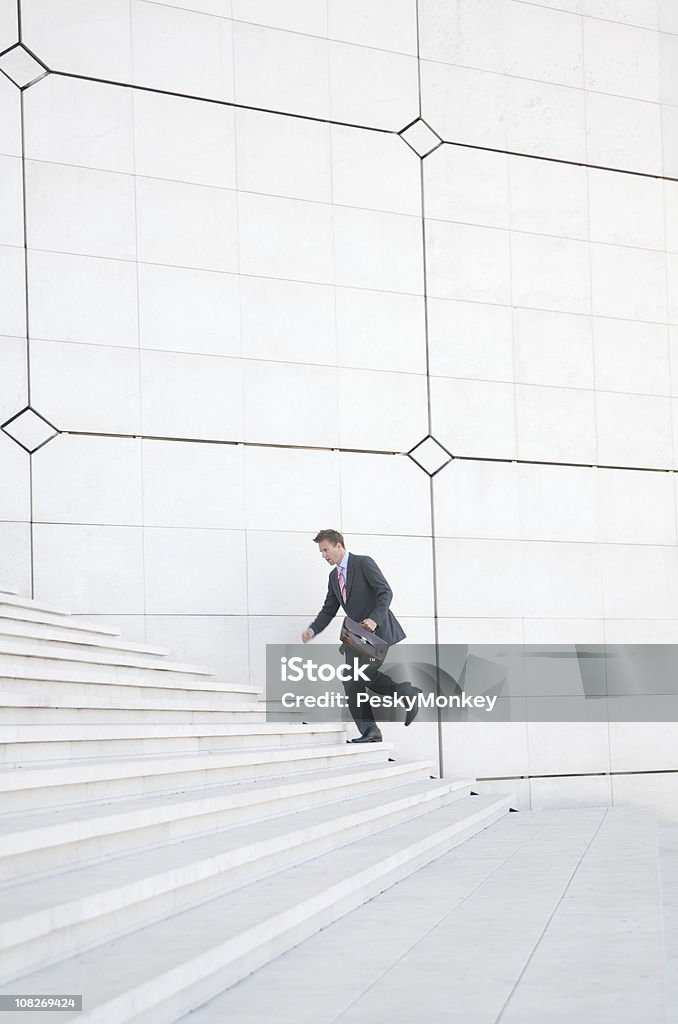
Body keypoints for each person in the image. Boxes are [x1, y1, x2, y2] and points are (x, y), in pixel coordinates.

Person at [301, 529, 421, 743]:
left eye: (326, 550)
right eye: (321, 552)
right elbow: (329, 609)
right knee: (352, 681)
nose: (324, 555)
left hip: (378, 633)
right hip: (356, 639)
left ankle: (401, 699)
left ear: (339, 546)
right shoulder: (333, 578)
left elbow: (386, 592)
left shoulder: (363, 563)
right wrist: (313, 629)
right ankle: (379, 721)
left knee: (356, 678)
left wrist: (374, 619)